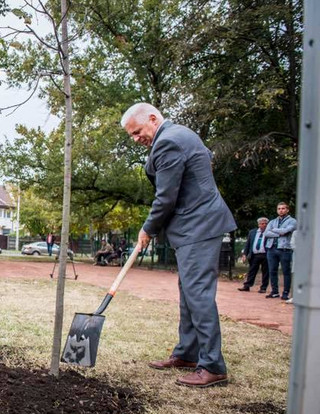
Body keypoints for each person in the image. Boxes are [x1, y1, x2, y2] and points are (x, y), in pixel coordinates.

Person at [121, 102, 236, 388]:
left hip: (199, 226)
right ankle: (187, 353)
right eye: (131, 136)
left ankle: (212, 366)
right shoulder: (180, 134)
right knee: (188, 292)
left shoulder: (169, 142)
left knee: (197, 294)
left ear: (152, 118)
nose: (136, 139)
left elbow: (166, 197)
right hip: (193, 227)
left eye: (136, 132)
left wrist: (148, 228)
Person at [264, 202, 297, 300]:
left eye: (283, 208)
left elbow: (285, 231)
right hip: (271, 248)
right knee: (272, 271)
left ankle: (286, 292)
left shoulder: (293, 221)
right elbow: (266, 233)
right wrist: (280, 232)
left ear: (287, 210)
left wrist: (274, 230)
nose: (281, 210)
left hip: (285, 249)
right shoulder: (272, 221)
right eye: (279, 208)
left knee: (286, 271)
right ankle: (274, 292)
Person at [237, 217, 269, 293]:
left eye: (265, 224)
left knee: (265, 272)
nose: (264, 225)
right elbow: (248, 244)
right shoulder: (252, 232)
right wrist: (245, 254)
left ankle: (263, 287)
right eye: (262, 223)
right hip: (254, 255)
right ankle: (247, 286)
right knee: (252, 271)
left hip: (265, 254)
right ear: (258, 224)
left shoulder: (269, 232)